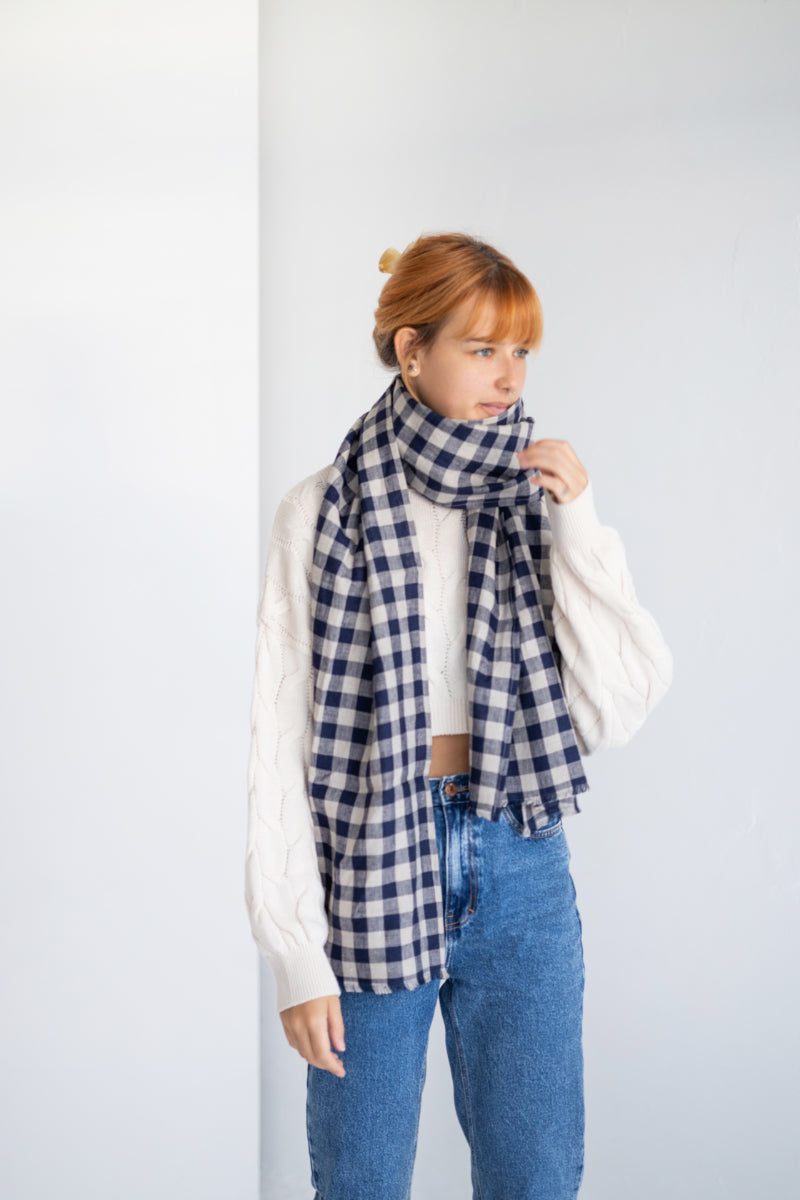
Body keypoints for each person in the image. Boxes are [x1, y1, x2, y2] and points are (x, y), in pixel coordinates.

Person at [245, 232, 673, 1200]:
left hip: (516, 859)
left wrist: (578, 521)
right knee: (358, 1183)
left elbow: (623, 699)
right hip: (369, 861)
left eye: (518, 351)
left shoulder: (535, 501)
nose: (506, 375)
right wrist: (294, 954)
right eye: (481, 348)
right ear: (409, 350)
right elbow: (276, 738)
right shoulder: (316, 512)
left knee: (532, 1180)